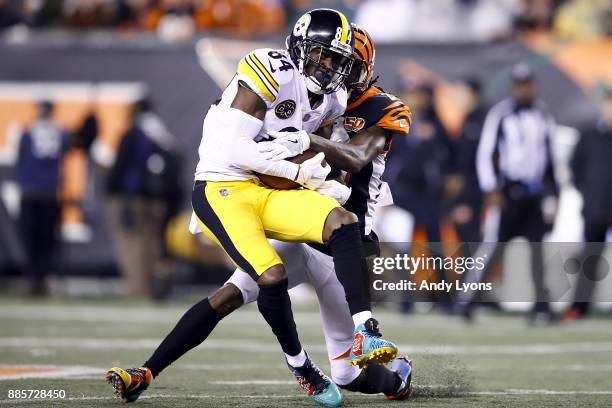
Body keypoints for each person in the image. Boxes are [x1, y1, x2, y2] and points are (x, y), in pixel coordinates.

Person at [106, 10, 397, 408]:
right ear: (299, 48)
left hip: (273, 193)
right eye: (322, 56)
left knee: (341, 221)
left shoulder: (337, 99)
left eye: (337, 61)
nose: (329, 68)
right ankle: (298, 365)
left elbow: (334, 155)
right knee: (265, 279)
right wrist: (297, 168)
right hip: (227, 185)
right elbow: (232, 151)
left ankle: (368, 330)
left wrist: (310, 167)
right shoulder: (272, 68)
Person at [475, 63, 559, 323]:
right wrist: (491, 188)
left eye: (528, 84)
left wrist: (553, 192)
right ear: (514, 87)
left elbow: (549, 156)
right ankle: (469, 301)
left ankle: (541, 307)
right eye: (520, 85)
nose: (524, 89)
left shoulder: (543, 114)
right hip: (509, 192)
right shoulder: (501, 114)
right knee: (495, 247)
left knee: (537, 250)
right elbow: (486, 153)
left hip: (534, 192)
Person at [105, 97, 179, 297]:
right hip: (158, 199)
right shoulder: (162, 134)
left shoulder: (135, 133)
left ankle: (138, 289)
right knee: (151, 243)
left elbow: (122, 166)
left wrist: (110, 185)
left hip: (131, 197)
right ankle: (151, 286)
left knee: (131, 243)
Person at [562, 85, 612, 321]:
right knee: (590, 259)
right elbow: (575, 170)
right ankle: (578, 307)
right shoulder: (590, 134)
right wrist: (590, 194)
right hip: (597, 208)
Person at [16, 100, 70, 295]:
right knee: (47, 239)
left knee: (33, 238)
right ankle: (45, 276)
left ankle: (33, 277)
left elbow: (20, 161)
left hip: (32, 191)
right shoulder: (60, 133)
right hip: (48, 192)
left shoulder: (27, 132)